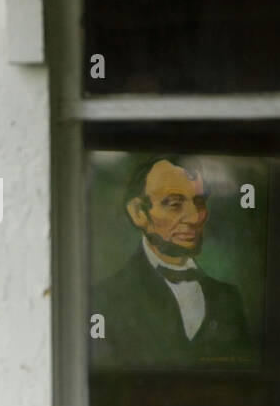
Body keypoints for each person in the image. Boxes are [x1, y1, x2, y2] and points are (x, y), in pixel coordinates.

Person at [92, 155, 253, 370]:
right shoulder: (105, 299)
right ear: (139, 213)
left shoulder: (228, 298)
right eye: (175, 204)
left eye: (199, 203)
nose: (194, 217)